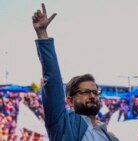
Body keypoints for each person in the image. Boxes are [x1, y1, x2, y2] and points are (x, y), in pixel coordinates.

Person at [32, 3, 119, 141]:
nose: (92, 95)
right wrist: (42, 34)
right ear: (69, 101)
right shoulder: (63, 125)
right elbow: (53, 81)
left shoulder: (110, 137)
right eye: (85, 92)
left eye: (95, 92)